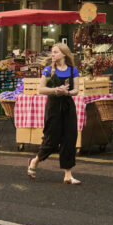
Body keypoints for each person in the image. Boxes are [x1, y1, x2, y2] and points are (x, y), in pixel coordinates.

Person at [27, 42, 82, 185]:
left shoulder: (72, 70)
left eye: (56, 52)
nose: (53, 54)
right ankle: (35, 161)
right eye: (52, 52)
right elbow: (41, 89)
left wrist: (67, 92)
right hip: (53, 107)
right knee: (52, 138)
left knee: (69, 138)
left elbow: (76, 91)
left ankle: (68, 175)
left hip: (68, 106)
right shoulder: (48, 70)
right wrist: (55, 90)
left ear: (64, 54)